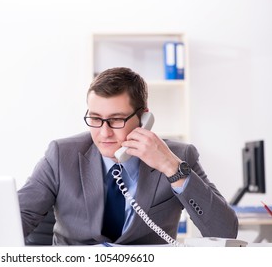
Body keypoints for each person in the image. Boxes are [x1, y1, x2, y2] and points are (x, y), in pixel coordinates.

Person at [18, 67, 238, 245]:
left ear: (144, 118)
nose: (104, 133)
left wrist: (172, 168)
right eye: (95, 118)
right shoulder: (60, 155)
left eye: (116, 120)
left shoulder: (179, 156)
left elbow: (225, 231)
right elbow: (16, 220)